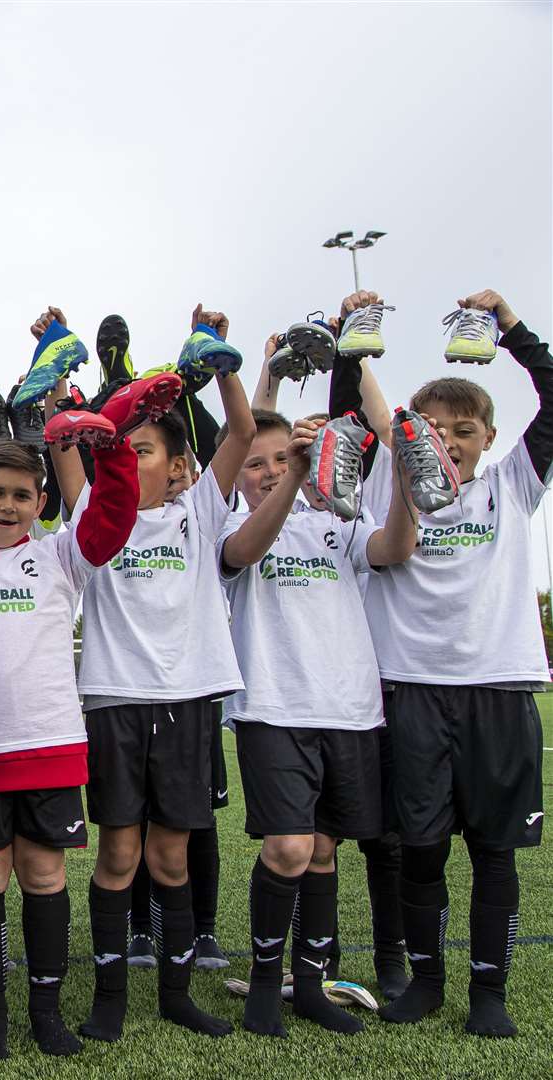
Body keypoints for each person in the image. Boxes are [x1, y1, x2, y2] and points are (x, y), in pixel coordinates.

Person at [49, 304, 256, 1040]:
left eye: (143, 450)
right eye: (122, 449)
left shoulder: (200, 509)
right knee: (118, 853)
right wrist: (54, 370)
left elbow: (239, 434)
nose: (129, 459)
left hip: (190, 697)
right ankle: (109, 1000)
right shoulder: (92, 518)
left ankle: (176, 992)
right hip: (115, 699)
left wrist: (224, 357)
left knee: (171, 857)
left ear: (176, 465)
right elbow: (67, 443)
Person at [347, 290, 548, 1038]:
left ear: (489, 437)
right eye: (435, 428)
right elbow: (362, 404)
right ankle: (426, 982)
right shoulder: (386, 480)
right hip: (413, 694)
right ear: (412, 434)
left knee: (496, 854)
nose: (451, 441)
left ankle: (488, 992)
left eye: (465, 431)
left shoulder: (511, 485)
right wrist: (351, 335)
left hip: (498, 692)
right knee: (420, 851)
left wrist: (511, 327)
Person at [218, 404, 418, 1037]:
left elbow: (395, 548)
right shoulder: (227, 522)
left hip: (349, 708)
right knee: (289, 847)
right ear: (237, 471)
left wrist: (408, 483)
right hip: (273, 706)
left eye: (284, 459)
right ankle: (263, 984)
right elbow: (245, 552)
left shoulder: (339, 522)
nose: (271, 471)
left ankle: (310, 987)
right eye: (258, 463)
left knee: (325, 851)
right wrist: (294, 472)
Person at [0, 418, 139, 1060]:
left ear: (42, 501)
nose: (8, 505)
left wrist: (109, 451)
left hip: (50, 745)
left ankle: (47, 1010)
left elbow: (112, 516)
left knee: (43, 873)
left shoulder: (60, 553)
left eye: (23, 495)